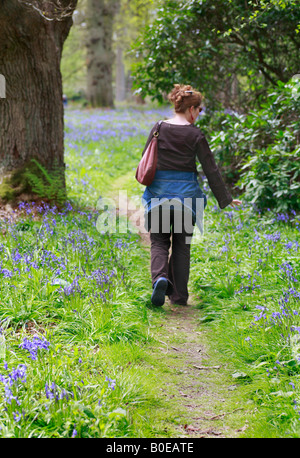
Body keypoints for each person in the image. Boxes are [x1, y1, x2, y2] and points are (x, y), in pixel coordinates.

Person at [140, 84, 242, 307]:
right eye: (199, 110)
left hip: (158, 196)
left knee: (158, 242)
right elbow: (211, 169)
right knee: (182, 245)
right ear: (192, 109)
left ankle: (160, 279)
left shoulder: (158, 128)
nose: (199, 114)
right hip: (186, 199)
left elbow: (145, 157)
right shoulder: (196, 134)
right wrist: (225, 199)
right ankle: (179, 296)